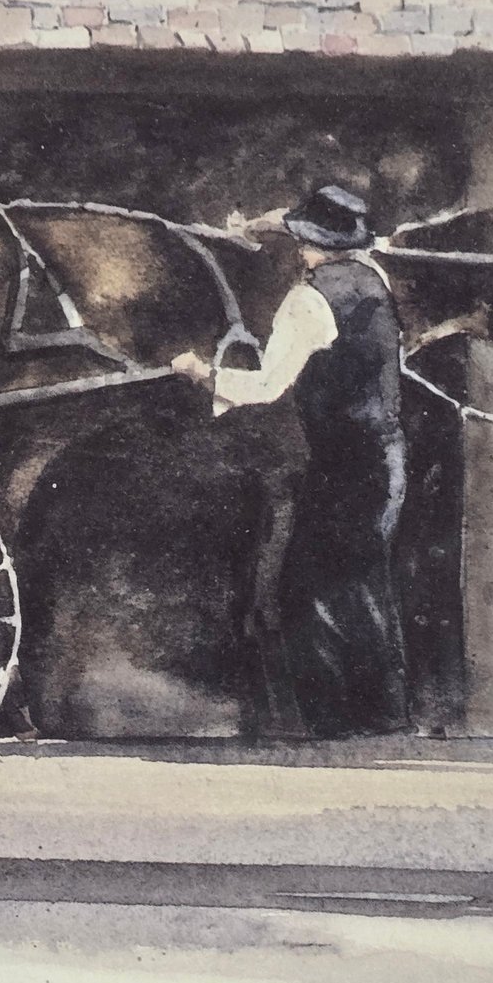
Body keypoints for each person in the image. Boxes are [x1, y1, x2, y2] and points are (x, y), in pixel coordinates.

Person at [171, 184, 410, 738]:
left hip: (343, 465)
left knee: (308, 591)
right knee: (363, 586)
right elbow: (282, 220)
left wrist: (201, 373)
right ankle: (383, 719)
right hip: (387, 457)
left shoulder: (309, 300)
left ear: (307, 244)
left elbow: (266, 386)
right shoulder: (372, 280)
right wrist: (252, 226)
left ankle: (335, 726)